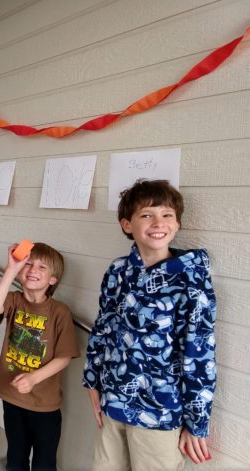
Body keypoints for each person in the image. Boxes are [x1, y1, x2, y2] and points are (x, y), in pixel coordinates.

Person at [82, 179, 217, 471]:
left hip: (159, 412)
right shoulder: (118, 271)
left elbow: (199, 353)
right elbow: (102, 328)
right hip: (114, 399)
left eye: (167, 215)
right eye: (147, 214)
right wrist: (92, 380)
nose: (159, 222)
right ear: (127, 224)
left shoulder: (190, 282)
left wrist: (197, 422)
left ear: (177, 224)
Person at [0, 242, 80, 471]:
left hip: (45, 405)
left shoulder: (59, 311)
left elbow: (64, 356)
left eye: (42, 267)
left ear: (53, 279)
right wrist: (11, 268)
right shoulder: (14, 300)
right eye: (28, 264)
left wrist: (33, 378)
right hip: (12, 397)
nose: (33, 270)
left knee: (44, 463)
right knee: (16, 458)